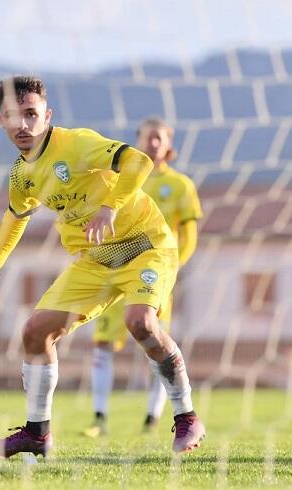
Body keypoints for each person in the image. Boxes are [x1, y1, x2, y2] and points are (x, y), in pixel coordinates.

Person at [0, 76, 206, 457]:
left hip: (145, 245)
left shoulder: (76, 144)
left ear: (47, 116)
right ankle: (37, 433)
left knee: (141, 324)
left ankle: (187, 416)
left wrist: (109, 206)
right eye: (14, 116)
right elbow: (15, 218)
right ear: (1, 120)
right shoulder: (20, 174)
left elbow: (139, 160)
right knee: (35, 332)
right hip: (97, 260)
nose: (23, 125)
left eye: (31, 114)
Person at [83, 117, 202, 437]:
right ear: (136, 142)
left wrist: (171, 267)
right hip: (118, 267)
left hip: (154, 273)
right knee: (103, 342)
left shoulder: (180, 185)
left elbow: (189, 235)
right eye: (147, 137)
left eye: (158, 138)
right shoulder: (122, 180)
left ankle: (152, 417)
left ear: (168, 145)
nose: (152, 143)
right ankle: (99, 418)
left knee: (154, 339)